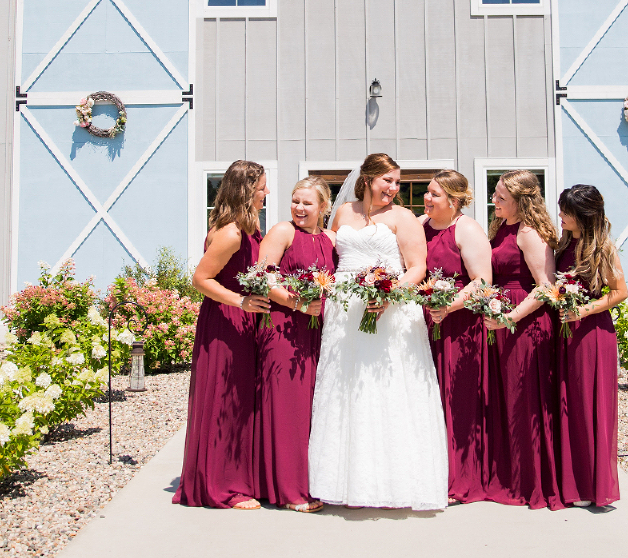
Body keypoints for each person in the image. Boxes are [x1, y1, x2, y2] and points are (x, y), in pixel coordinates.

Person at [308, 152, 446, 510]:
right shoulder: (343, 212)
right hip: (344, 311)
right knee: (346, 387)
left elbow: (417, 267)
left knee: (388, 387)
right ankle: (344, 480)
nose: (394, 188)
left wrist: (389, 295)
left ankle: (396, 481)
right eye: (388, 180)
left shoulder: (403, 217)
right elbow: (330, 255)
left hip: (391, 310)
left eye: (397, 182)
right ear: (368, 179)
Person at [174, 161, 269, 509]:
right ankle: (221, 486)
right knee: (225, 398)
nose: (266, 193)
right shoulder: (230, 233)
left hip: (242, 319)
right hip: (226, 321)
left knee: (240, 399)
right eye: (262, 187)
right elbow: (200, 279)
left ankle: (238, 476)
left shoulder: (247, 227)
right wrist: (241, 301)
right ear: (247, 190)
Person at [481, 169, 564, 509]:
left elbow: (546, 286)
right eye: (495, 194)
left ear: (521, 200)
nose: (494, 201)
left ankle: (531, 482)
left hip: (525, 324)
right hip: (501, 319)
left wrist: (510, 318)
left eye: (501, 197)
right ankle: (509, 475)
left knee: (525, 401)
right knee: (505, 400)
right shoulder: (501, 226)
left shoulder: (530, 233)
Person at [254, 177, 335, 511]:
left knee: (313, 408)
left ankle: (312, 481)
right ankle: (289, 490)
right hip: (284, 328)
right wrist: (296, 303)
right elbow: (262, 276)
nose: (299, 208)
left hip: (319, 332)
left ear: (323, 207)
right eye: (295, 201)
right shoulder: (282, 232)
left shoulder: (331, 239)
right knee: (289, 407)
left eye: (307, 203)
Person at [418, 170, 494, 504]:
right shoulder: (420, 225)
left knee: (456, 399)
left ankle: (460, 479)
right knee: (427, 399)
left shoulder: (467, 229)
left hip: (459, 325)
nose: (427, 198)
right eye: (427, 192)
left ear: (454, 200)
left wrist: (448, 306)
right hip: (423, 325)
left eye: (434, 194)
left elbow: (483, 281)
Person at [554, 184, 628, 507]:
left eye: (566, 211)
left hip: (591, 334)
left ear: (583, 215)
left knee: (588, 405)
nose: (560, 215)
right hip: (564, 333)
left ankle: (590, 485)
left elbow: (620, 291)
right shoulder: (563, 244)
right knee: (566, 403)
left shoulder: (603, 248)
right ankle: (570, 481)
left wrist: (584, 310)